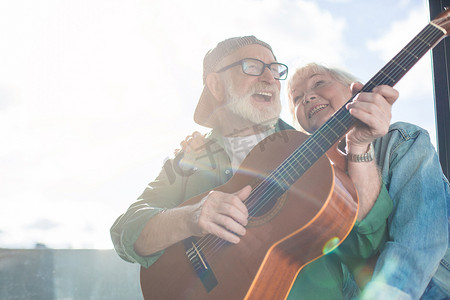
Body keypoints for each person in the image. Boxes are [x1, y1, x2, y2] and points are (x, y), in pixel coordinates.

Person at [110, 36, 399, 299]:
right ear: (216, 85)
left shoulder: (314, 152)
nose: (270, 78)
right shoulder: (188, 159)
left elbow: (367, 246)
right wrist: (190, 217)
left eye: (275, 70)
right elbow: (126, 232)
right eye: (252, 66)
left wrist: (360, 147)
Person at [286, 63, 449, 299]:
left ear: (353, 92)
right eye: (297, 98)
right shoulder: (310, 184)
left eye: (319, 82)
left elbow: (420, 233)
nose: (308, 97)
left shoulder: (401, 140)